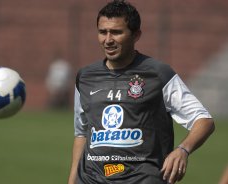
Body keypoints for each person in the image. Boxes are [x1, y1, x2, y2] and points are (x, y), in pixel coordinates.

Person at [68, 0, 215, 184]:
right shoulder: (85, 77)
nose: (108, 40)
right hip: (92, 179)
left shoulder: (158, 74)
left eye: (116, 32)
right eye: (102, 32)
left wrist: (183, 150)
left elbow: (204, 121)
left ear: (136, 35)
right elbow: (81, 133)